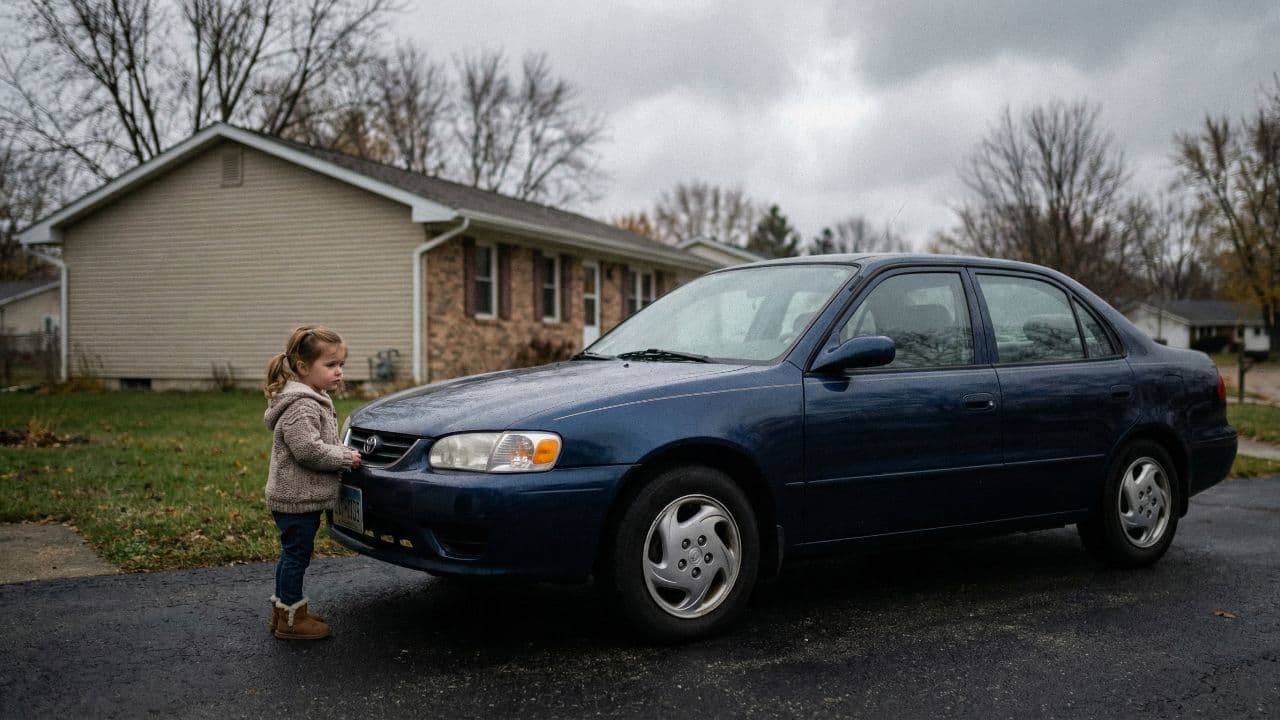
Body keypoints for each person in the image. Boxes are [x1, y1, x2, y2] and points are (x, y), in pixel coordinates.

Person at [262, 325, 361, 640]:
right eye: (330, 365)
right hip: (295, 499)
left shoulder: (313, 397)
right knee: (296, 555)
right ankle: (292, 619)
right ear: (303, 368)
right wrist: (345, 457)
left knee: (293, 553)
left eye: (341, 365)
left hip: (300, 497)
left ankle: (286, 612)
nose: (339, 372)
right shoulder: (302, 405)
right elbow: (308, 451)